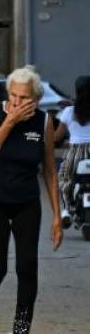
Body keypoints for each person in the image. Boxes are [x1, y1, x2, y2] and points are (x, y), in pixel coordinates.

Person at [0, 65, 63, 334]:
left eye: (23, 98)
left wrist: (57, 216)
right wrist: (9, 123)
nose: (16, 102)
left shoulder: (44, 122)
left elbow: (50, 172)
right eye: (13, 95)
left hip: (27, 202)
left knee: (27, 268)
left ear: (35, 99)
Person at [55, 75, 90, 227]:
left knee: (63, 180)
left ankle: (66, 211)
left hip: (74, 154)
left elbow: (58, 137)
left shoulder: (68, 111)